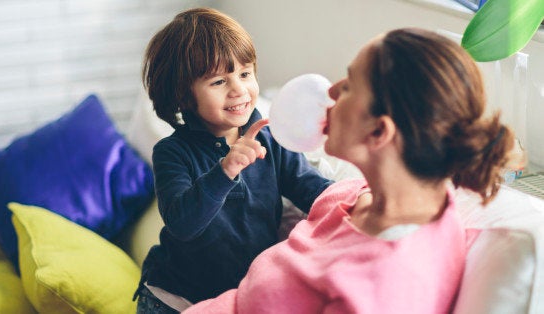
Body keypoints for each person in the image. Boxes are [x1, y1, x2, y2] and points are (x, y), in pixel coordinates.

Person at [184, 28, 515, 313]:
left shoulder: (387, 281)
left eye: (351, 84)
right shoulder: (352, 195)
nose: (331, 90)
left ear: (377, 132)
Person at [133, 7, 334, 313]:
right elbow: (183, 224)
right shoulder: (172, 152)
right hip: (175, 299)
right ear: (183, 95)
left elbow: (308, 186)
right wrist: (225, 170)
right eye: (218, 82)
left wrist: (353, 201)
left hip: (240, 297)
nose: (239, 89)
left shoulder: (270, 135)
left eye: (244, 73)